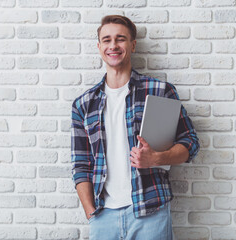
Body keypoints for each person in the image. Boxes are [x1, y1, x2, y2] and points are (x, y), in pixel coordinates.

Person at [71, 15, 199, 240]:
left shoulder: (159, 90)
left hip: (151, 212)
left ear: (132, 45)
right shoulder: (84, 104)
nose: (113, 45)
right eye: (107, 40)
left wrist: (157, 158)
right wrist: (90, 211)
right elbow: (81, 164)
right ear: (99, 46)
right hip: (103, 215)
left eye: (120, 39)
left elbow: (191, 143)